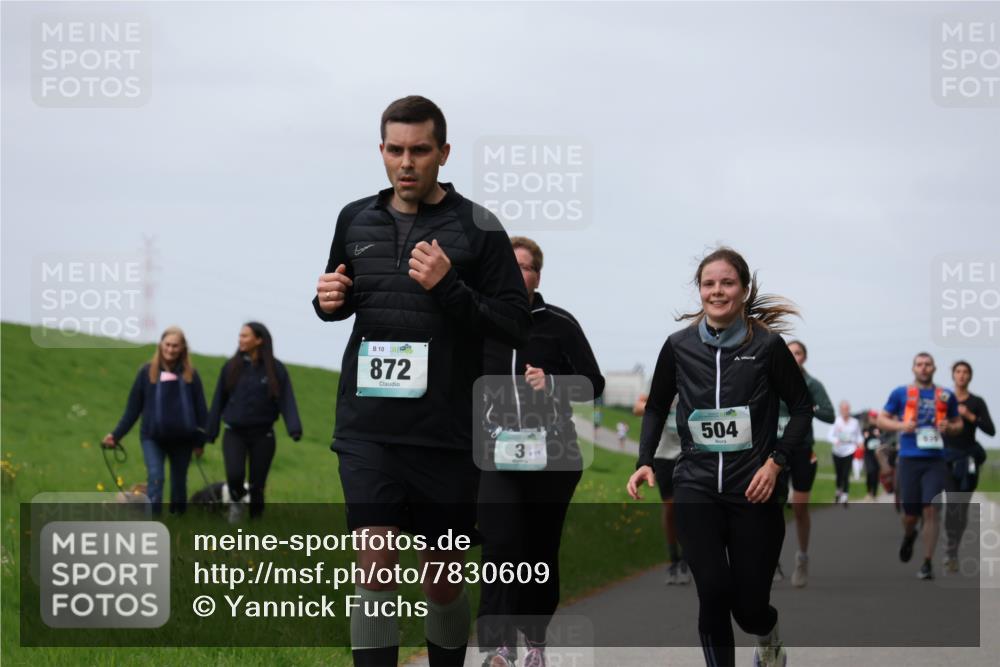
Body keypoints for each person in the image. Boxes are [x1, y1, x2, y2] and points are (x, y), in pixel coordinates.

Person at [313, 96, 530, 667]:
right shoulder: (353, 218)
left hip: (446, 435)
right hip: (368, 428)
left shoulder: (478, 229)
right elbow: (344, 293)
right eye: (395, 150)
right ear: (381, 151)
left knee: (441, 582)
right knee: (374, 564)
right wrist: (326, 303)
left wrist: (449, 287)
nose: (406, 162)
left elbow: (513, 321)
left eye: (419, 150)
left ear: (444, 153)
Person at [626, 247, 812, 667]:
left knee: (749, 608)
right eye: (709, 283)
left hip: (755, 489)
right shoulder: (678, 347)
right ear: (699, 291)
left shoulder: (767, 346)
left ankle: (769, 638)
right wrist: (644, 460)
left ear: (744, 290)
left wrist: (775, 461)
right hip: (697, 484)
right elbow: (656, 406)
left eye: (727, 283)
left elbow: (801, 408)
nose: (717, 291)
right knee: (711, 592)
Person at [477, 236, 605, 667]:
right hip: (495, 453)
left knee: (538, 550)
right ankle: (497, 645)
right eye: (510, 265)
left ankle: (533, 638)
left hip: (553, 456)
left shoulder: (559, 324)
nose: (518, 273)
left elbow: (594, 384)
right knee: (500, 544)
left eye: (527, 266)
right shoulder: (479, 320)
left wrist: (554, 382)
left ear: (538, 275)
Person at [103, 326, 208, 516]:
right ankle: (153, 520)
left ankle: (178, 519)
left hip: (183, 439)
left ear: (183, 348)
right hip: (153, 437)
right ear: (160, 345)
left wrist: (200, 442)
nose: (170, 349)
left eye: (175, 346)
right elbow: (133, 410)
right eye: (167, 344)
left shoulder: (192, 375)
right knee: (156, 477)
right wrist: (115, 435)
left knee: (179, 483)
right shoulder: (146, 373)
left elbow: (202, 411)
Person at [878, 352, 962, 580]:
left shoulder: (945, 395)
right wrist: (900, 425)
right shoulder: (901, 393)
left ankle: (927, 563)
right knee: (910, 514)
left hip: (935, 460)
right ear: (913, 368)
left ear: (934, 368)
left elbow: (958, 423)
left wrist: (950, 427)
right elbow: (881, 419)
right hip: (909, 459)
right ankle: (909, 534)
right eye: (919, 364)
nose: (924, 368)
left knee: (931, 509)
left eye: (928, 364)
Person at [206, 322, 302, 521]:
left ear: (259, 340)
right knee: (234, 475)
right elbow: (218, 400)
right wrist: (210, 430)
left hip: (263, 435)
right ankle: (236, 503)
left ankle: (256, 520)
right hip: (234, 433)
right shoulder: (231, 367)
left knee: (258, 484)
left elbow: (287, 400)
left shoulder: (276, 369)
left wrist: (294, 428)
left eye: (245, 336)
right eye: (240, 336)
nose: (240, 339)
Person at [773, 339, 834, 587]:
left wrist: (809, 406)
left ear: (804, 358)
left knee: (799, 509)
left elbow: (830, 415)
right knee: (771, 509)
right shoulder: (771, 379)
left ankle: (802, 558)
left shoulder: (812, 384)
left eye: (797, 353)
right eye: (788, 353)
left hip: (802, 450)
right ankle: (772, 562)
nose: (793, 356)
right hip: (775, 450)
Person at [633, 394, 691, 585]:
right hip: (664, 454)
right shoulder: (660, 381)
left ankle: (686, 558)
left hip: (689, 452)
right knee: (670, 506)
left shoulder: (694, 377)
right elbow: (638, 408)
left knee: (688, 506)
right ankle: (674, 558)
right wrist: (661, 406)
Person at [943, 360, 995, 573]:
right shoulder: (945, 399)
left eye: (966, 372)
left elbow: (991, 430)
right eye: (958, 371)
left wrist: (970, 416)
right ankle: (950, 548)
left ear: (970, 376)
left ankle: (954, 549)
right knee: (951, 503)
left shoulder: (977, 402)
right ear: (953, 375)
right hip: (947, 457)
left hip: (968, 460)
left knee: (962, 506)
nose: (962, 375)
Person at [827, 401, 862, 507]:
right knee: (839, 474)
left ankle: (845, 496)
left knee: (846, 474)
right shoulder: (836, 421)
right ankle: (838, 491)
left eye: (847, 409)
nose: (845, 411)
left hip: (849, 450)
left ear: (849, 410)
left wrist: (860, 442)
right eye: (843, 409)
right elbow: (829, 435)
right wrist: (835, 440)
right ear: (840, 410)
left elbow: (859, 436)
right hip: (837, 451)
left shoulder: (855, 422)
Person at [861, 410, 883, 501]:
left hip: (878, 454)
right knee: (870, 472)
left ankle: (874, 493)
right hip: (868, 454)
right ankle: (869, 492)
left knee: (876, 473)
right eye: (872, 417)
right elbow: (863, 439)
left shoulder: (879, 428)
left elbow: (882, 438)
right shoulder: (865, 428)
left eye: (875, 417)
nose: (873, 419)